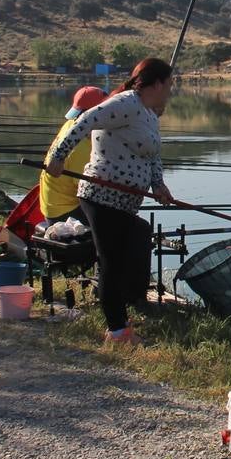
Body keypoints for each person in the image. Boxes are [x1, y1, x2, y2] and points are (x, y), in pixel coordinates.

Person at [45, 58, 174, 347]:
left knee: (123, 256)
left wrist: (159, 185)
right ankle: (117, 332)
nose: (170, 90)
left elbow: (152, 155)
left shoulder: (149, 113)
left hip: (126, 202)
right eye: (169, 83)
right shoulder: (125, 103)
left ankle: (121, 319)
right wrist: (59, 156)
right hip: (102, 197)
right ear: (157, 83)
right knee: (112, 263)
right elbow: (84, 120)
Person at [39, 85, 107, 224]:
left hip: (50, 205)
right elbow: (90, 193)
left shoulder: (71, 125)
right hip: (64, 213)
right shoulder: (81, 149)